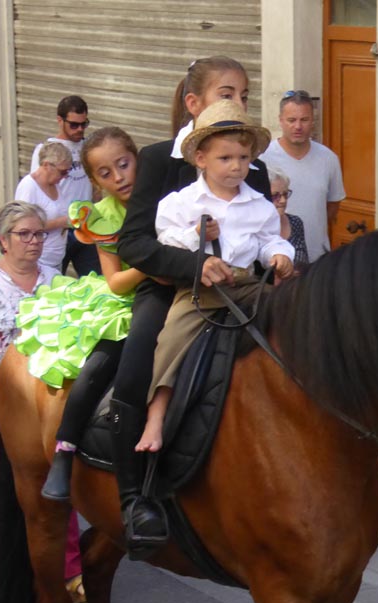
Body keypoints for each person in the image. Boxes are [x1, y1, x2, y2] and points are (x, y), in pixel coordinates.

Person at [115, 56, 272, 555]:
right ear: (193, 102)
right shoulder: (160, 159)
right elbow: (135, 244)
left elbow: (266, 233)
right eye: (228, 93)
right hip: (173, 287)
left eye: (245, 96)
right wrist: (194, 265)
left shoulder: (257, 169)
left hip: (245, 285)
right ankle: (136, 493)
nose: (239, 103)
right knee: (138, 358)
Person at [135, 101, 294, 454]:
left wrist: (281, 255)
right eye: (225, 159)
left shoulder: (260, 205)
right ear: (201, 159)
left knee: (296, 316)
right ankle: (157, 414)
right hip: (200, 289)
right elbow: (166, 242)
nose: (236, 166)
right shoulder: (180, 203)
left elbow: (269, 239)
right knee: (171, 339)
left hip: (246, 285)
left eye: (242, 158)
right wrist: (197, 237)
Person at [27, 127, 145, 501]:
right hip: (129, 298)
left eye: (123, 165)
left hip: (184, 291)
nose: (119, 177)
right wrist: (156, 261)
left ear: (137, 159)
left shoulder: (168, 198)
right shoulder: (102, 217)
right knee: (101, 363)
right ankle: (66, 447)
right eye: (105, 174)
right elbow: (116, 283)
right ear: (95, 181)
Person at [0, 202, 58, 593]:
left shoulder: (56, 280)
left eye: (39, 234)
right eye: (24, 234)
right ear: (4, 241)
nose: (34, 242)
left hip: (46, 408)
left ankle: (52, 561)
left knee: (52, 485)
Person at [261, 90, 345, 262]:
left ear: (312, 121)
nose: (298, 126)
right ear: (280, 120)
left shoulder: (328, 159)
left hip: (317, 259)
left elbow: (333, 204)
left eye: (304, 120)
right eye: (291, 120)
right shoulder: (263, 159)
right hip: (275, 261)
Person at [31, 95, 101, 276]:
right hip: (58, 230)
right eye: (74, 125)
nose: (80, 129)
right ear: (59, 120)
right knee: (52, 283)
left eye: (84, 124)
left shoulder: (88, 146)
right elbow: (38, 189)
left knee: (95, 280)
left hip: (85, 228)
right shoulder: (45, 150)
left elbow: (95, 184)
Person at [14, 141, 73, 271]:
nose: (65, 176)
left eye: (68, 171)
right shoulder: (28, 187)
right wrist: (61, 222)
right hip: (37, 262)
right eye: (62, 172)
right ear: (46, 165)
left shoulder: (55, 184)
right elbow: (23, 227)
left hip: (56, 260)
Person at [267, 164, 309, 269]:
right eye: (275, 195)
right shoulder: (252, 228)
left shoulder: (295, 222)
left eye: (285, 194)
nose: (283, 200)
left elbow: (303, 264)